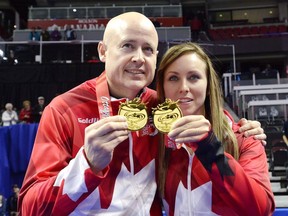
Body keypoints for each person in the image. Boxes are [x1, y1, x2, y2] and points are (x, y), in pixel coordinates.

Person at [18, 12, 267, 215]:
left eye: (148, 49)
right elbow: (30, 208)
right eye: (128, 46)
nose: (139, 58)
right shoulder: (65, 110)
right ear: (103, 51)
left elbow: (204, 111)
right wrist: (86, 165)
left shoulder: (163, 107)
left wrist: (242, 130)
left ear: (156, 58)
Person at [155, 42, 274, 215]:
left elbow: (259, 209)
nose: (183, 88)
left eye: (193, 77)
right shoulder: (157, 142)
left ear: (208, 86)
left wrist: (210, 148)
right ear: (163, 87)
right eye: (173, 78)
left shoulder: (244, 138)